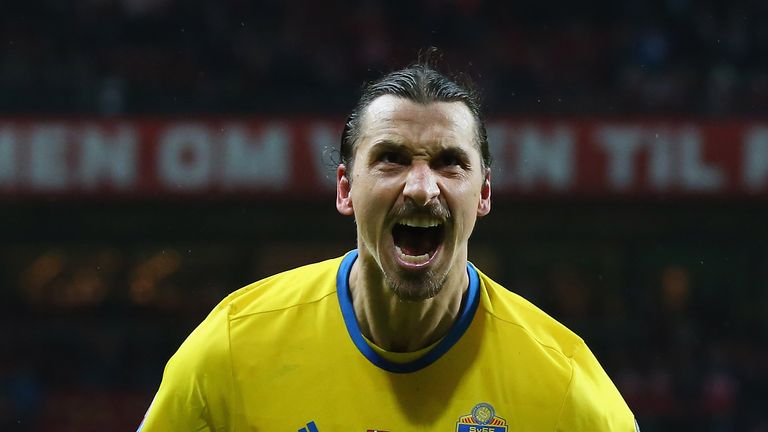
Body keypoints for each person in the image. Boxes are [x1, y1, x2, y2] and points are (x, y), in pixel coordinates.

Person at [137, 63, 638, 431]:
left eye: (449, 163)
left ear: (483, 192)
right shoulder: (230, 350)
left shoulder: (566, 390)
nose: (422, 187)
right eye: (392, 160)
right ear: (345, 189)